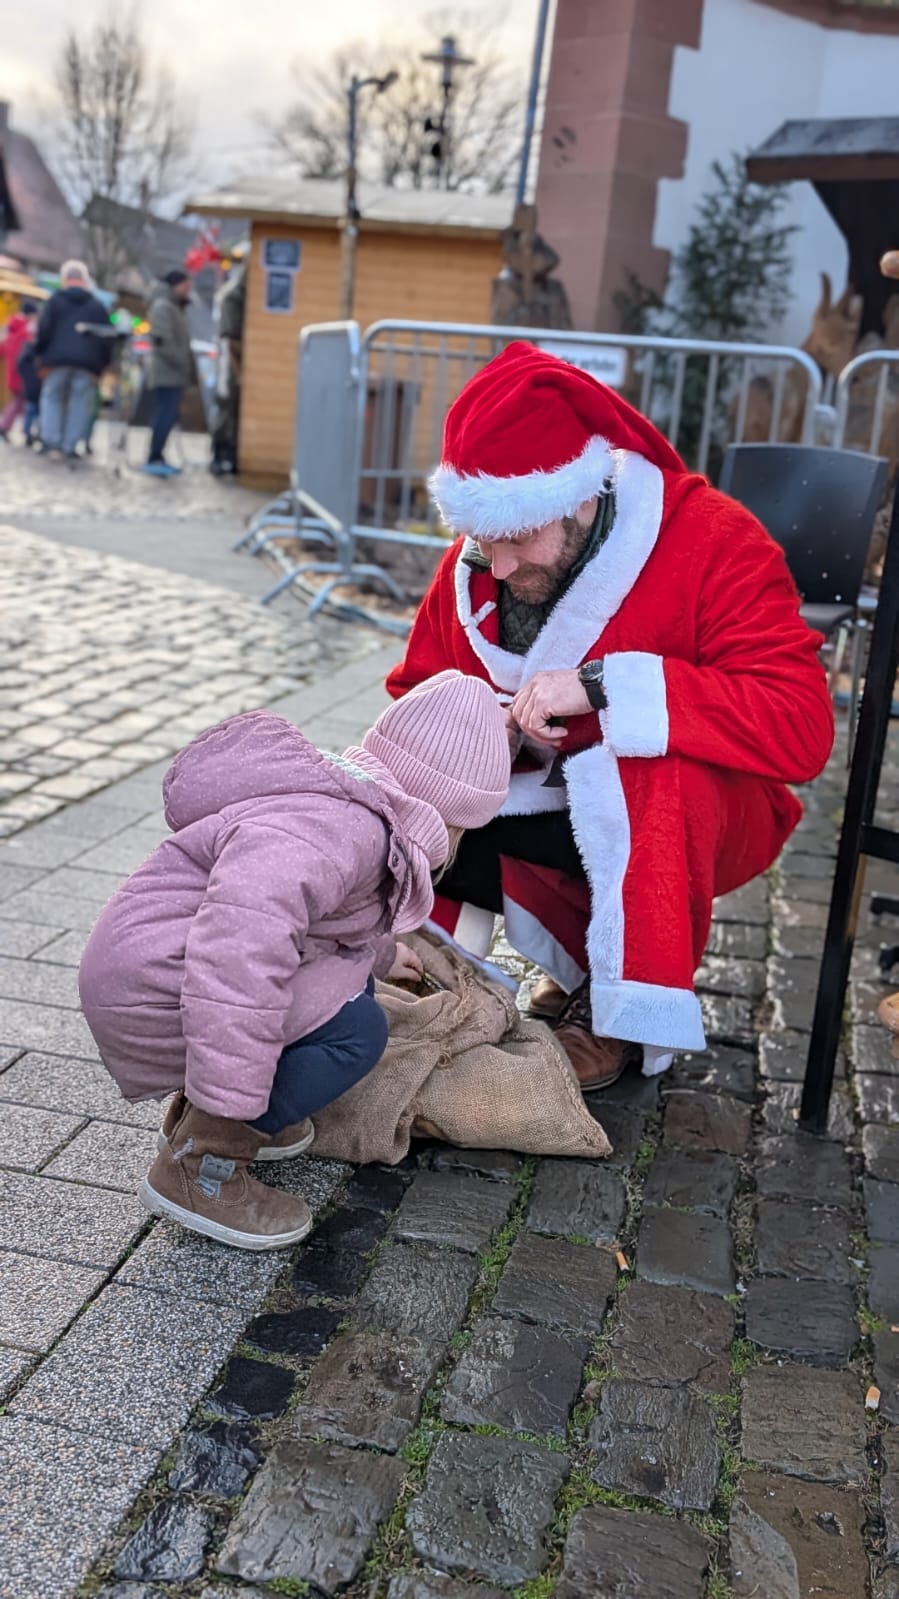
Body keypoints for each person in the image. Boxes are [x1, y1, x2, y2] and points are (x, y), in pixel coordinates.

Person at [386, 341, 836, 1091]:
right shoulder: (480, 562)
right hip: (543, 800)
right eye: (482, 542)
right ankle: (430, 968)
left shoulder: (714, 541)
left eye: (517, 539)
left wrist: (606, 688)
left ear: (580, 496)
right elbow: (412, 697)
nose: (495, 568)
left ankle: (621, 1010)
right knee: (418, 782)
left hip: (702, 811)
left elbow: (799, 726)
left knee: (647, 765)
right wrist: (484, 726)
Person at [78, 672, 510, 1250]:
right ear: (449, 812)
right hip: (161, 982)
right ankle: (204, 1162)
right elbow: (238, 955)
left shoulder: (348, 809)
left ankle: (208, 1114)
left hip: (156, 965)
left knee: (352, 993)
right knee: (357, 1031)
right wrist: (231, 1090)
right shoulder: (343, 832)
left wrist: (382, 953)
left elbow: (317, 921)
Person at [34, 261, 112, 461]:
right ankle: (70, 445)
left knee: (52, 398)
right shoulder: (97, 305)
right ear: (84, 280)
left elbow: (44, 332)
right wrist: (101, 366)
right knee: (79, 403)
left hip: (56, 360)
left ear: (65, 279)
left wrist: (40, 358)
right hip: (87, 364)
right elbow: (106, 338)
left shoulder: (55, 301)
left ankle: (51, 442)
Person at [144, 268, 194, 477]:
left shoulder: (173, 306)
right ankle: (155, 456)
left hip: (173, 372)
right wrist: (183, 362)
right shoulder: (163, 306)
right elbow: (163, 342)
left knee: (168, 414)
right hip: (167, 372)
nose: (188, 290)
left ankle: (158, 455)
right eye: (185, 285)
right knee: (164, 414)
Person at [0, 298, 38, 440]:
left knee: (19, 402)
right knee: (20, 402)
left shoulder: (11, 330)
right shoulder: (26, 331)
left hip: (12, 371)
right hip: (23, 373)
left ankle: (14, 427)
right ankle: (5, 426)